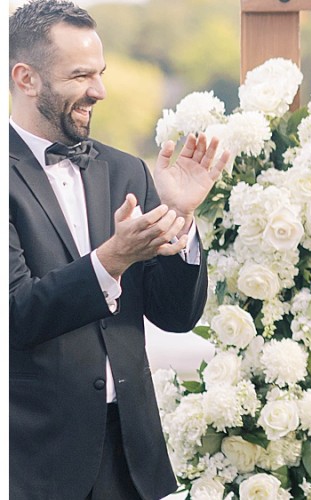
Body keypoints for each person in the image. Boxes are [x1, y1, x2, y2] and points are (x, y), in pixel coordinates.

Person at [9, 1, 232, 498]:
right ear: (26, 79)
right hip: (33, 464)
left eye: (101, 73)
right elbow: (15, 315)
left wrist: (180, 215)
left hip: (131, 462)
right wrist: (112, 260)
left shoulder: (128, 170)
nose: (100, 91)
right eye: (80, 75)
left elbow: (175, 316)